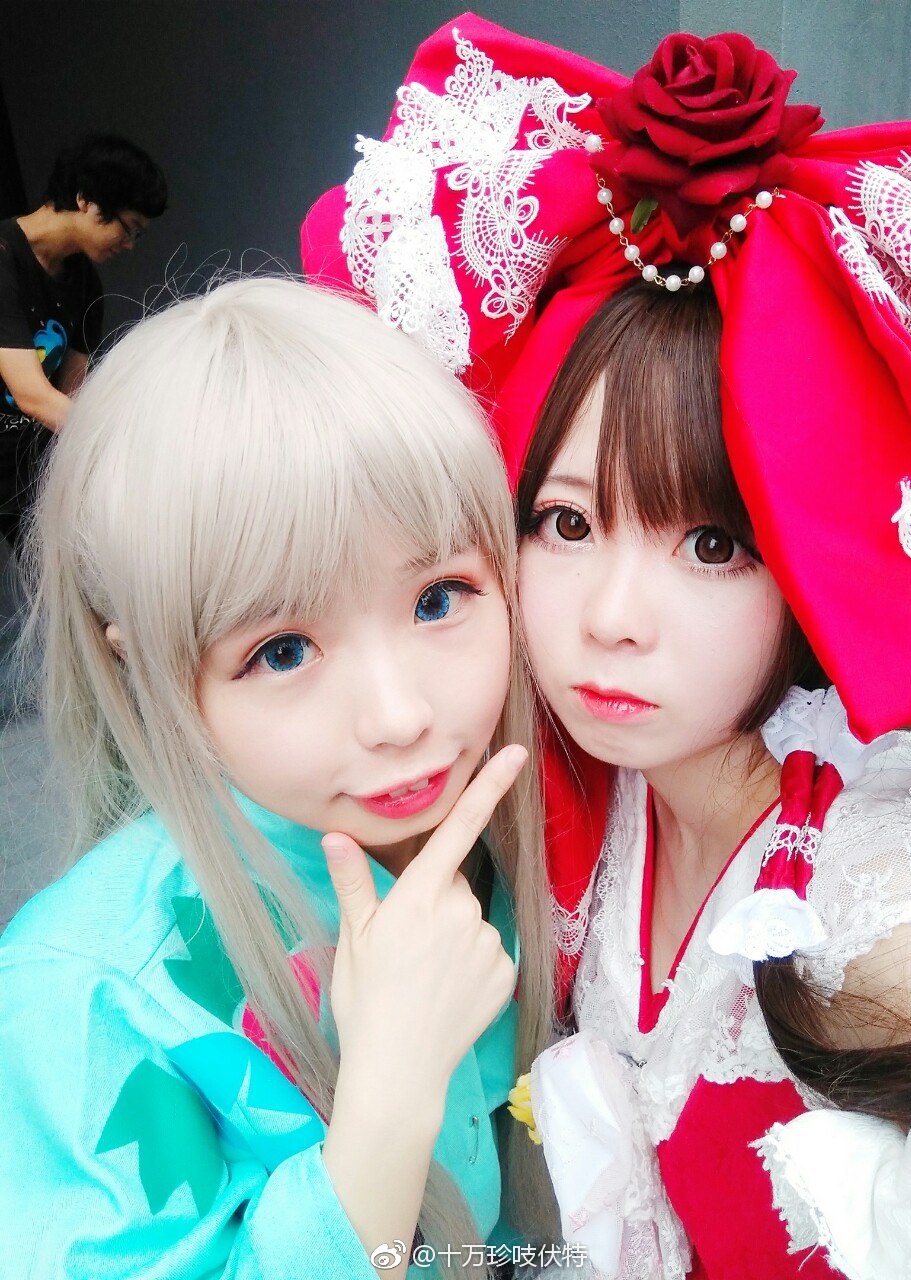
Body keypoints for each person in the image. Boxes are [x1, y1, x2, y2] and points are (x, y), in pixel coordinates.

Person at [302, 15, 911, 1278]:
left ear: (805, 569)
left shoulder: (876, 875)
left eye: (711, 544)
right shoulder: (604, 796)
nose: (612, 615)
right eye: (565, 522)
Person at [0, 277, 558, 1279]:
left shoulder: (555, 818)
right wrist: (388, 1094)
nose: (399, 715)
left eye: (440, 597)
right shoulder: (79, 994)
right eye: (283, 651)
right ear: (143, 664)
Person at [0, 133, 167, 549]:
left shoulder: (86, 284)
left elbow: (72, 397)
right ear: (86, 200)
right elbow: (33, 395)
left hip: (26, 473)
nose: (129, 245)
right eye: (129, 229)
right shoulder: (4, 258)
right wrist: (126, 447)